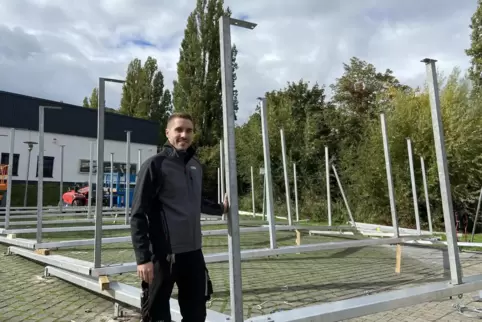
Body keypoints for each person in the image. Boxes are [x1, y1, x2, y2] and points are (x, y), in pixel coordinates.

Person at [130, 112, 229, 322]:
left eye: (189, 130)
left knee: (196, 314)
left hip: (193, 254)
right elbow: (138, 213)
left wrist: (221, 208)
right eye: (179, 130)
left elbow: (196, 201)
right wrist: (143, 259)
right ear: (168, 133)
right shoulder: (155, 165)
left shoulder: (196, 166)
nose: (184, 135)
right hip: (163, 256)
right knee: (157, 315)